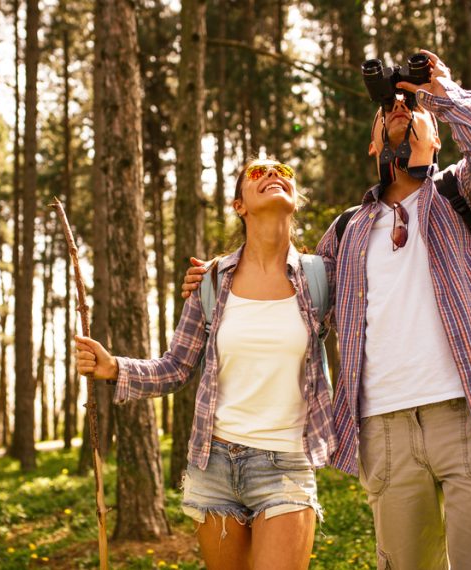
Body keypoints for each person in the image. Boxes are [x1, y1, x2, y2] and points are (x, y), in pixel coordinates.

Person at [182, 50, 471, 570]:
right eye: (389, 109)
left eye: (412, 110)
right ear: (374, 144)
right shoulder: (348, 230)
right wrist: (219, 275)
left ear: (439, 135)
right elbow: (285, 290)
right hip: (384, 430)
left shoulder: (468, 192)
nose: (399, 108)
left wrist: (438, 92)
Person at [75, 158, 337, 570]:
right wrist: (115, 368)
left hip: (287, 462)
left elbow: (364, 339)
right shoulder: (213, 281)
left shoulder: (321, 277)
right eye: (257, 172)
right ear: (239, 206)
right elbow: (176, 367)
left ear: (295, 198)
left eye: (283, 171)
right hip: (213, 464)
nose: (272, 175)